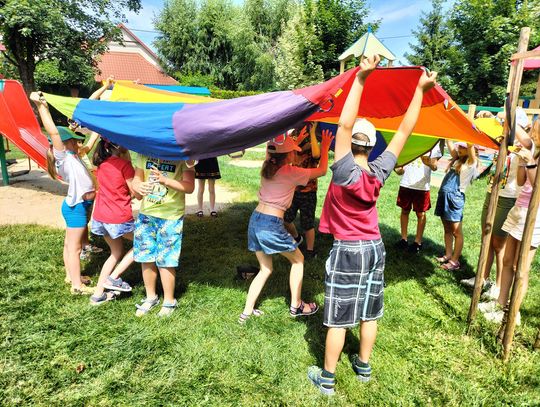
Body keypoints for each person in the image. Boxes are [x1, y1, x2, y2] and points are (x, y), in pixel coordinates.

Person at [307, 57, 438, 395]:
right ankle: (363, 366)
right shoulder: (378, 172)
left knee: (339, 315)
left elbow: (345, 125)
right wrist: (420, 91)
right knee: (370, 310)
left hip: (347, 249)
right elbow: (405, 130)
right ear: (373, 144)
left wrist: (361, 78)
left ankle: (327, 378)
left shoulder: (343, 171)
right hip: (375, 248)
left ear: (350, 145)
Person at [239, 129, 333, 324]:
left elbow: (271, 150)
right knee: (298, 260)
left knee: (265, 268)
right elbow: (322, 171)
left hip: (255, 220)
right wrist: (324, 147)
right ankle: (296, 305)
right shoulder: (292, 172)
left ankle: (246, 312)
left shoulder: (267, 166)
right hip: (271, 225)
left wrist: (289, 140)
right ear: (290, 155)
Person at [30, 92, 96, 295]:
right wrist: (42, 107)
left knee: (69, 245)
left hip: (76, 206)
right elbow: (54, 133)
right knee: (75, 248)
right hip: (76, 208)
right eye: (74, 141)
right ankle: (77, 286)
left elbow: (88, 143)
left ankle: (71, 275)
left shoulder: (73, 157)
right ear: (65, 144)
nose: (78, 144)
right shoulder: (64, 158)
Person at [461, 120, 531, 299]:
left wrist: (511, 125)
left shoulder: (525, 147)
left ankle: (499, 286)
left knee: (499, 245)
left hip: (508, 198)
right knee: (486, 237)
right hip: (491, 192)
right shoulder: (502, 141)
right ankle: (482, 277)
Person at [479, 119, 539, 324]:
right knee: (507, 262)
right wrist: (524, 161)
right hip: (519, 210)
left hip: (534, 215)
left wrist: (529, 162)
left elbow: (537, 185)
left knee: (521, 268)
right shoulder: (534, 151)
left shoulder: (535, 155)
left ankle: (513, 311)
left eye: (535, 129)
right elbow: (522, 181)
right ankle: (499, 303)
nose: (532, 132)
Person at [132, 154, 195, 317]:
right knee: (146, 257)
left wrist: (165, 180)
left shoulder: (184, 156)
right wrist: (138, 186)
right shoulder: (143, 154)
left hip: (171, 217)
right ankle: (151, 297)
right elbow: (136, 180)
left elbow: (189, 186)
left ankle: (169, 301)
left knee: (166, 259)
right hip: (146, 214)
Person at [89, 139, 141, 305]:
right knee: (142, 242)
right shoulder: (124, 165)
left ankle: (98, 295)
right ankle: (113, 278)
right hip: (117, 217)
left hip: (101, 217)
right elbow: (137, 193)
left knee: (115, 252)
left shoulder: (102, 164)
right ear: (118, 146)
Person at [434, 140, 479, 271]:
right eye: (459, 146)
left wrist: (469, 138)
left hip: (455, 197)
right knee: (447, 228)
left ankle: (455, 261)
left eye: (463, 147)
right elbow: (449, 141)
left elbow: (470, 145)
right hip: (444, 195)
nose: (460, 148)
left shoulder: (471, 163)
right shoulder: (456, 159)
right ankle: (448, 254)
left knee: (456, 231)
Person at [394, 142, 442, 253]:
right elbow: (400, 166)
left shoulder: (433, 144)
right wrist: (398, 170)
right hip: (406, 183)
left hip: (422, 186)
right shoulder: (409, 141)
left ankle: (418, 242)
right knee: (405, 210)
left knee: (421, 214)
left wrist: (429, 163)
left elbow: (434, 167)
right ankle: (403, 239)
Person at [284, 123, 322, 259]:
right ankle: (297, 238)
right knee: (286, 218)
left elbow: (317, 154)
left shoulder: (313, 152)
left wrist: (312, 133)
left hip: (309, 193)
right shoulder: (294, 151)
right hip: (293, 191)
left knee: (308, 224)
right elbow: (287, 149)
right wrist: (297, 141)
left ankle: (310, 250)